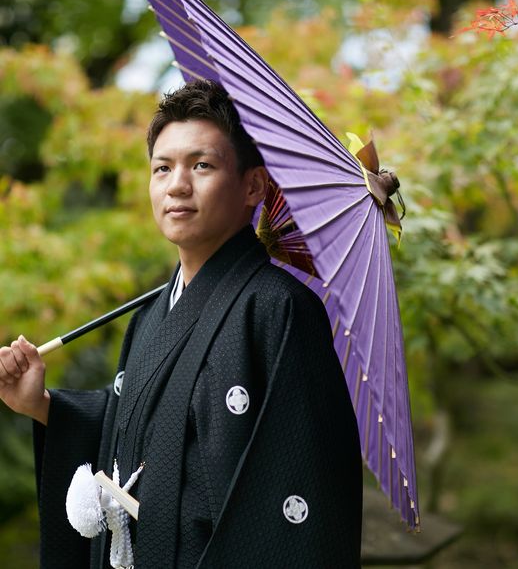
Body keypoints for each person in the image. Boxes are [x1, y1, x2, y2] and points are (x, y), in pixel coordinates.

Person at [0, 79, 362, 568]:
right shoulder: (150, 317)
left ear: (253, 185)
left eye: (202, 165)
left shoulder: (280, 309)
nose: (177, 185)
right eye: (162, 168)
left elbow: (302, 488)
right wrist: (42, 404)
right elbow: (136, 430)